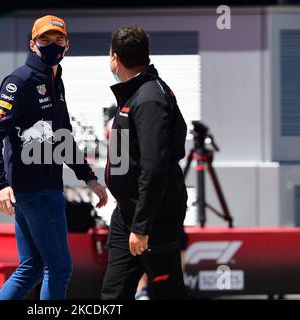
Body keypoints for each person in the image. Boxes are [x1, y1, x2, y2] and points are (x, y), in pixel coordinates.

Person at [0, 15, 108, 300]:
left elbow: (63, 135)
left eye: (58, 39)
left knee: (32, 268)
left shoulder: (55, 79)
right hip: (33, 190)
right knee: (59, 268)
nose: (52, 45)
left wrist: (88, 177)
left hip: (46, 188)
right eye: (45, 40)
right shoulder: (20, 81)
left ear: (67, 45)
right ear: (32, 44)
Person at [101, 25, 188, 300]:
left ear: (115, 58)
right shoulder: (134, 94)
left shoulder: (150, 98)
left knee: (166, 292)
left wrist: (142, 226)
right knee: (113, 294)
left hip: (153, 219)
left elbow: (154, 167)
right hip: (127, 214)